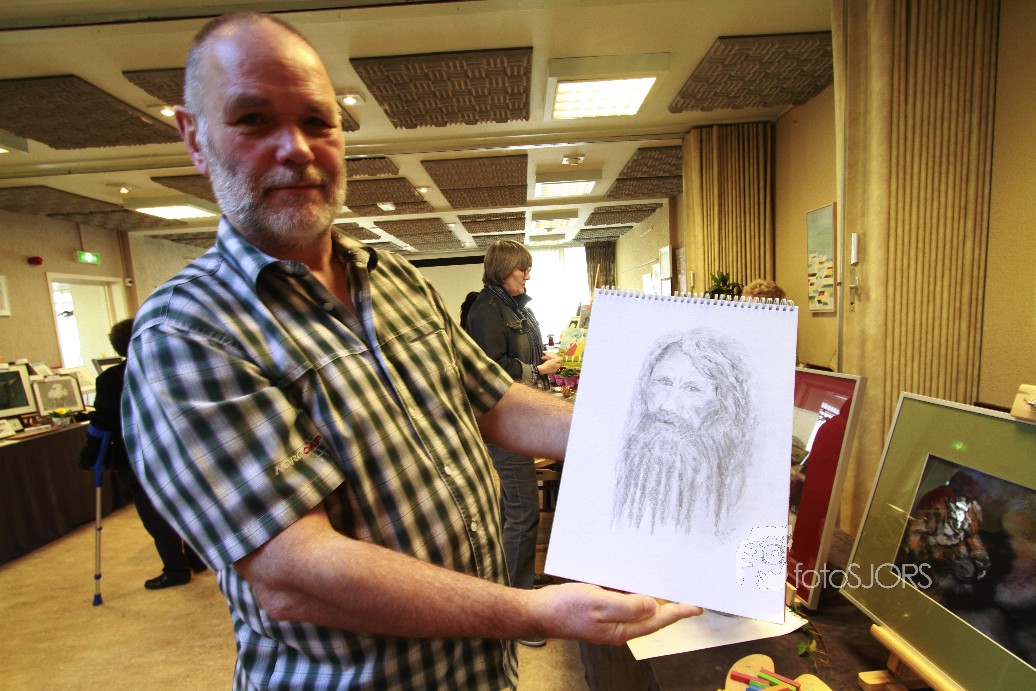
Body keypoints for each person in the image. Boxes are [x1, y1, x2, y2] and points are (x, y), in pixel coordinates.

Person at [121, 13, 699, 689]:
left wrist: (645, 438)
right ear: (194, 137)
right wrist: (530, 609)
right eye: (253, 120)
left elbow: (496, 401)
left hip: (477, 673)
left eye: (317, 120)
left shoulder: (391, 276)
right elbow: (293, 572)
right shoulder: (187, 333)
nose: (297, 149)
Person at [465, 239, 563, 647]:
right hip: (502, 422)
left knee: (515, 508)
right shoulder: (487, 310)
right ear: (504, 269)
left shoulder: (513, 306)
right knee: (522, 510)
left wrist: (543, 365)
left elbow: (522, 355)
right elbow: (491, 370)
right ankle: (514, 610)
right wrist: (538, 370)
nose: (527, 276)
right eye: (522, 269)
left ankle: (518, 580)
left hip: (518, 418)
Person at [82, 318, 205, 589]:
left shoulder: (112, 379)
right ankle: (196, 557)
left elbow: (102, 423)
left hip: (138, 456)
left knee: (155, 514)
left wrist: (90, 455)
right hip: (177, 449)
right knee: (184, 504)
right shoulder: (169, 365)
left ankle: (175, 569)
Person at [611, 327, 756, 537]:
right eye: (663, 382)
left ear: (723, 405)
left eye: (693, 389)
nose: (668, 405)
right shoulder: (619, 466)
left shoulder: (739, 494)